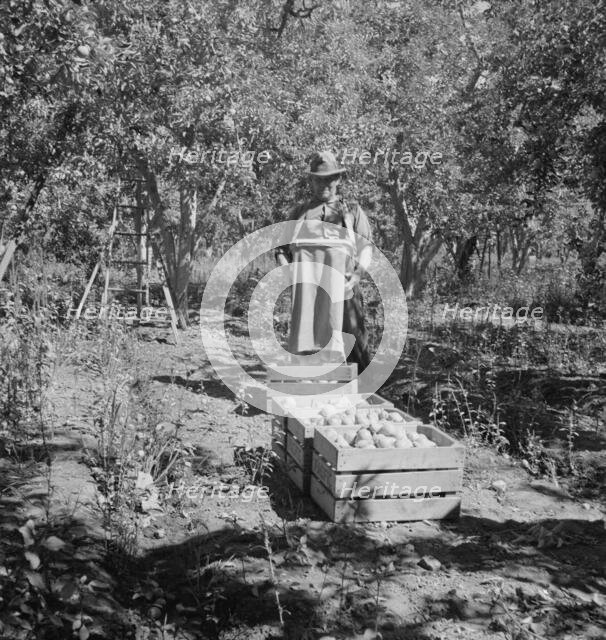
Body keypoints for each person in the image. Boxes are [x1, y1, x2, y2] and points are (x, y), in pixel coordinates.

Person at [275, 150, 373, 374]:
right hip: (307, 297)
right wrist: (290, 275)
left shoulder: (351, 212)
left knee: (353, 348)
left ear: (338, 179)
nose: (324, 184)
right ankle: (311, 394)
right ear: (311, 180)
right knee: (308, 345)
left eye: (329, 178)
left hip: (344, 293)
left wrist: (357, 274)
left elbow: (366, 247)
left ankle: (364, 397)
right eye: (318, 179)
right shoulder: (299, 213)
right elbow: (281, 251)